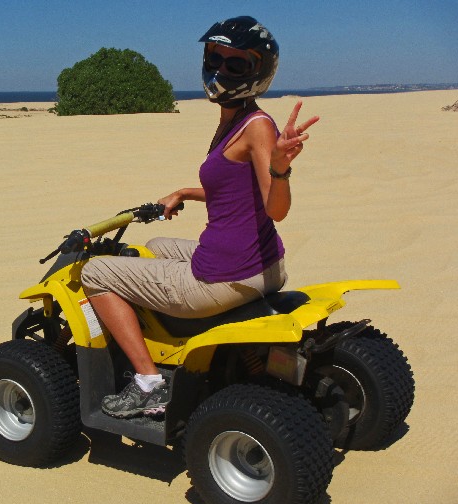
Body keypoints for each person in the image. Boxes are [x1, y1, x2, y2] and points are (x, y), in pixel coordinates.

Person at [81, 16, 319, 419]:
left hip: (224, 277)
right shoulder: (236, 118)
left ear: (257, 71)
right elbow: (233, 188)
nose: (221, 69)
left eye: (235, 63)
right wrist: (185, 192)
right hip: (264, 265)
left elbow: (275, 208)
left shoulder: (257, 127)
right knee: (155, 246)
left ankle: (148, 383)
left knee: (96, 273)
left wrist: (280, 168)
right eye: (215, 56)